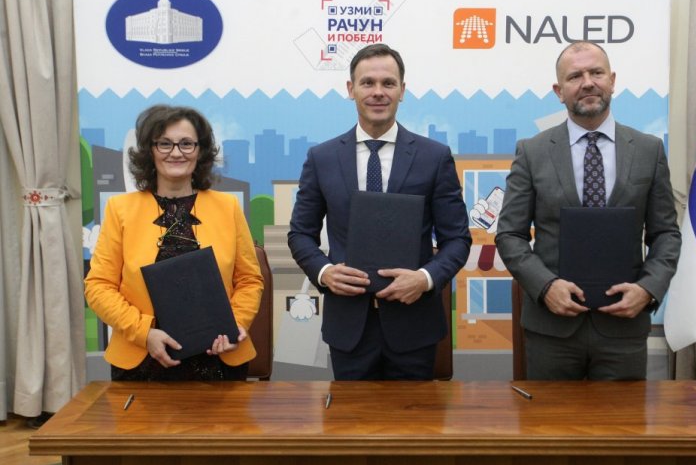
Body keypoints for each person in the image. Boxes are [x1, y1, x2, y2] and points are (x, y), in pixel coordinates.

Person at [495, 41, 681, 380]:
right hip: (551, 328)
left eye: (596, 73)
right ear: (559, 91)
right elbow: (510, 235)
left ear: (612, 80)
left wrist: (648, 289)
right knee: (552, 416)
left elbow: (666, 233)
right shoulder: (532, 152)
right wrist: (546, 287)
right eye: (575, 76)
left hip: (623, 327)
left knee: (621, 416)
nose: (588, 83)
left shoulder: (648, 150)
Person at [288, 44, 471, 380]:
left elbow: (457, 239)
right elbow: (300, 234)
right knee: (352, 415)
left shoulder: (434, 157)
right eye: (367, 83)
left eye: (388, 83)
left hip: (413, 324)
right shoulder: (322, 158)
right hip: (348, 327)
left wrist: (425, 279)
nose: (378, 92)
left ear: (402, 90)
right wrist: (324, 272)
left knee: (414, 415)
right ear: (351, 89)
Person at [85, 105, 264, 381]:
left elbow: (249, 281)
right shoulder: (119, 209)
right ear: (150, 150)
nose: (176, 152)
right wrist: (144, 333)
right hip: (141, 358)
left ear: (200, 151)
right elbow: (98, 286)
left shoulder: (228, 207)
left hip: (220, 358)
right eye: (165, 143)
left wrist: (234, 325)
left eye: (186, 143)